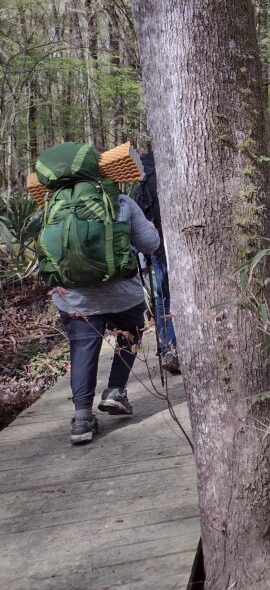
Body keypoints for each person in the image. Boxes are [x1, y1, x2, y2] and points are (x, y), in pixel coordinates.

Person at [52, 187, 160, 445]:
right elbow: (150, 244)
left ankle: (81, 421)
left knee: (82, 349)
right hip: (122, 293)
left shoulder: (55, 203)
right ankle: (115, 390)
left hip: (73, 296)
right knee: (131, 332)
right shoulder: (121, 201)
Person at [134, 152, 180, 374]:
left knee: (162, 295)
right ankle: (173, 348)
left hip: (153, 241)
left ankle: (165, 347)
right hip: (174, 236)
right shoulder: (168, 172)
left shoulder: (141, 181)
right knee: (173, 294)